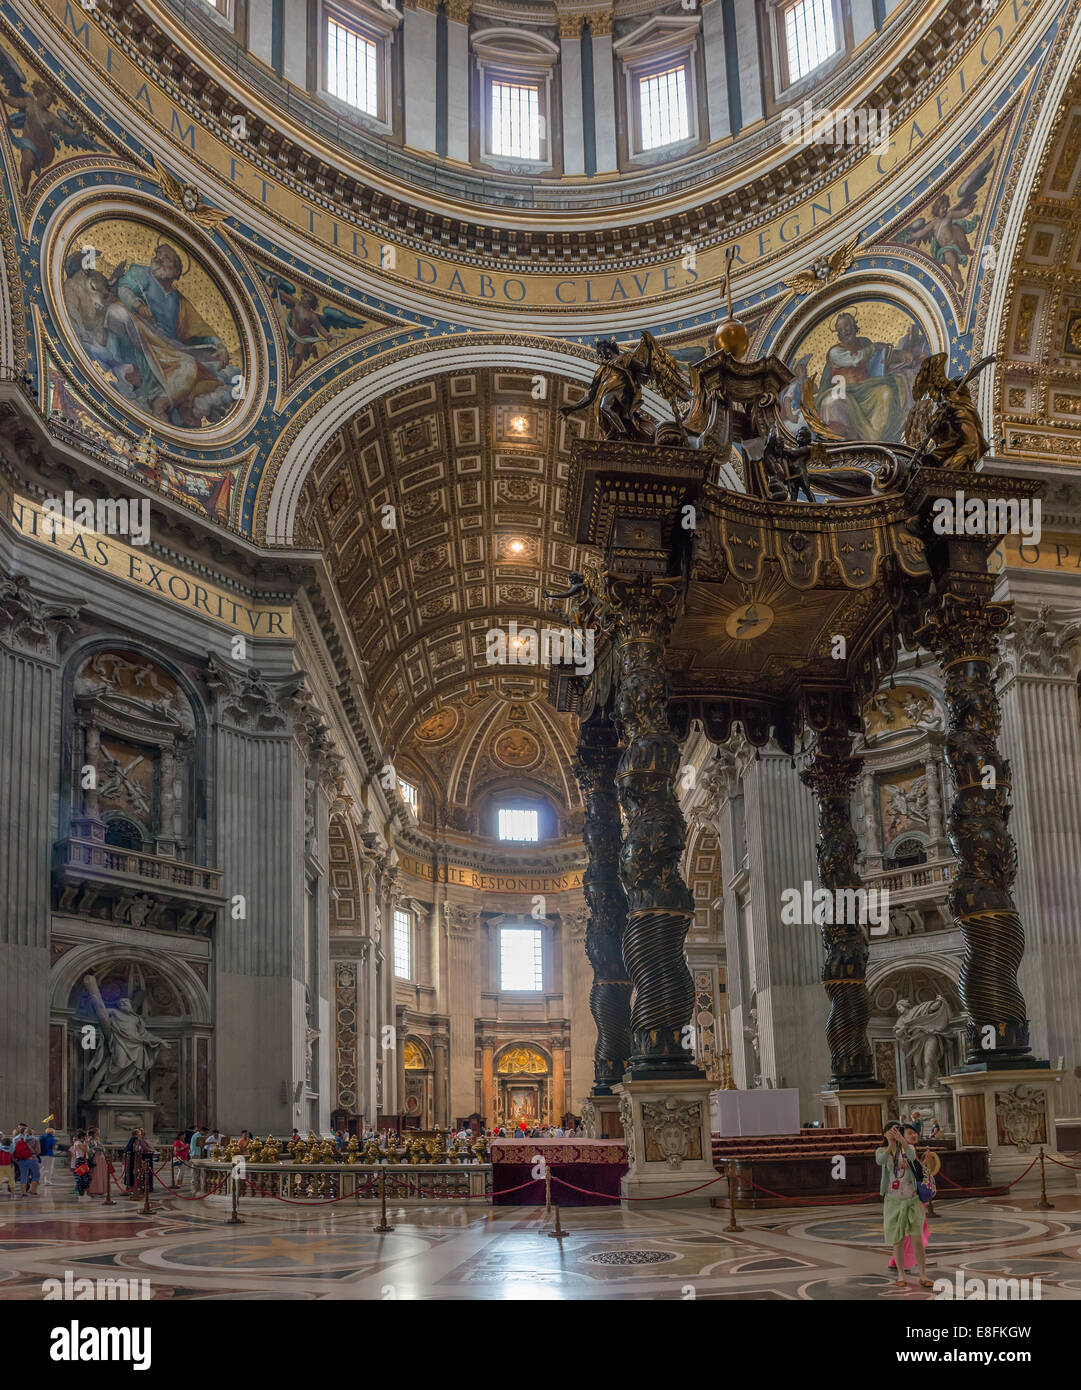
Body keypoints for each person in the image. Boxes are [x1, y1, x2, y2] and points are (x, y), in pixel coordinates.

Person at [876, 1121, 932, 1289]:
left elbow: (913, 1156)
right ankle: (901, 1273)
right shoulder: (881, 1151)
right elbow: (880, 1160)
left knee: (916, 1240)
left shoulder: (908, 1149)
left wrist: (902, 1141)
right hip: (893, 1200)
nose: (894, 1133)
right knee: (897, 1240)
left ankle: (923, 1274)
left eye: (897, 1130)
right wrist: (891, 1144)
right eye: (891, 1131)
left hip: (912, 1199)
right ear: (885, 1134)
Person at [13, 1124, 40, 1196]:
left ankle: (24, 1192)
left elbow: (14, 1150)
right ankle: (33, 1190)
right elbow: (38, 1151)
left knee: (23, 1175)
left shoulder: (19, 1139)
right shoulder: (35, 1139)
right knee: (36, 1175)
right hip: (32, 1159)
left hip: (22, 1160)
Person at [87, 1127, 108, 1197]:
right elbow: (91, 1149)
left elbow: (103, 1149)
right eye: (98, 1132)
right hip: (96, 1158)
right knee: (95, 1174)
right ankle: (94, 1191)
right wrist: (100, 1148)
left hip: (101, 1158)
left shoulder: (97, 1140)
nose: (99, 1133)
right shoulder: (91, 1140)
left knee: (100, 1174)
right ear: (95, 1133)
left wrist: (101, 1148)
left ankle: (100, 1190)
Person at [70, 1130, 92, 1199]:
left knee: (86, 1178)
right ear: (83, 1137)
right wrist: (87, 1142)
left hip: (84, 1160)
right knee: (82, 1178)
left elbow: (88, 1151)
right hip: (80, 1161)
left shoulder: (83, 1143)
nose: (88, 1138)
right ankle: (81, 1194)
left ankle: (84, 1193)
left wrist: (86, 1143)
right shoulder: (77, 1143)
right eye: (86, 1136)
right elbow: (85, 1150)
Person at [0, 1133, 15, 1198]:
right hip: (8, 1165)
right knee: (11, 1179)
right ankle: (12, 1193)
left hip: (0, 1165)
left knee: (0, 1178)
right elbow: (12, 1156)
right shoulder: (10, 1148)